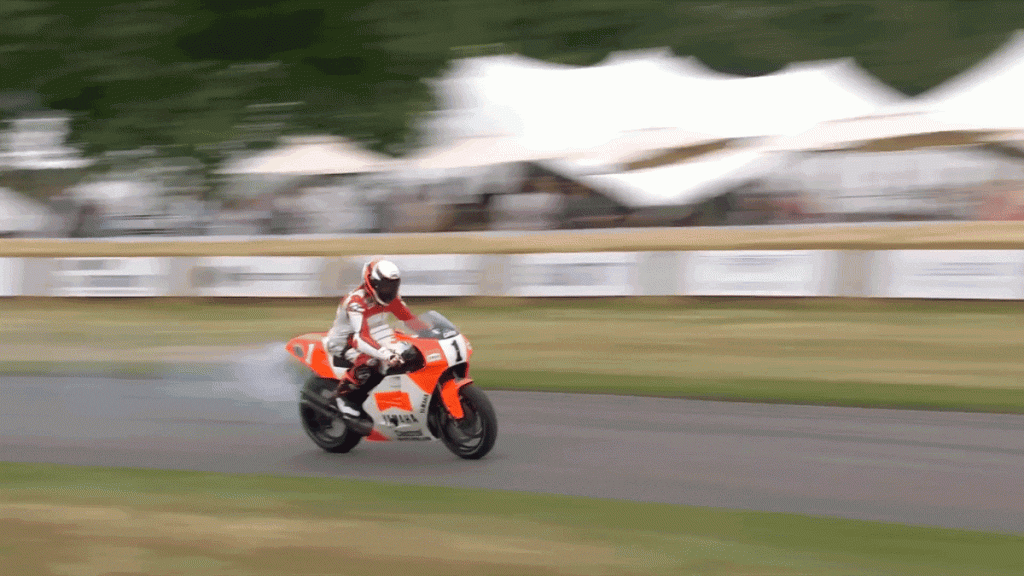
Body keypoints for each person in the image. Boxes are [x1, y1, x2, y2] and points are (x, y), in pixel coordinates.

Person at [324, 258, 429, 423]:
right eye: (386, 286)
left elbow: (409, 319)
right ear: (371, 283)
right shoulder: (356, 303)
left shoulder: (392, 299)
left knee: (410, 351)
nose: (389, 291)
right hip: (346, 342)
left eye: (393, 286)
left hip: (376, 336)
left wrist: (430, 332)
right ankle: (345, 398)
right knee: (370, 361)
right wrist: (386, 354)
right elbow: (360, 338)